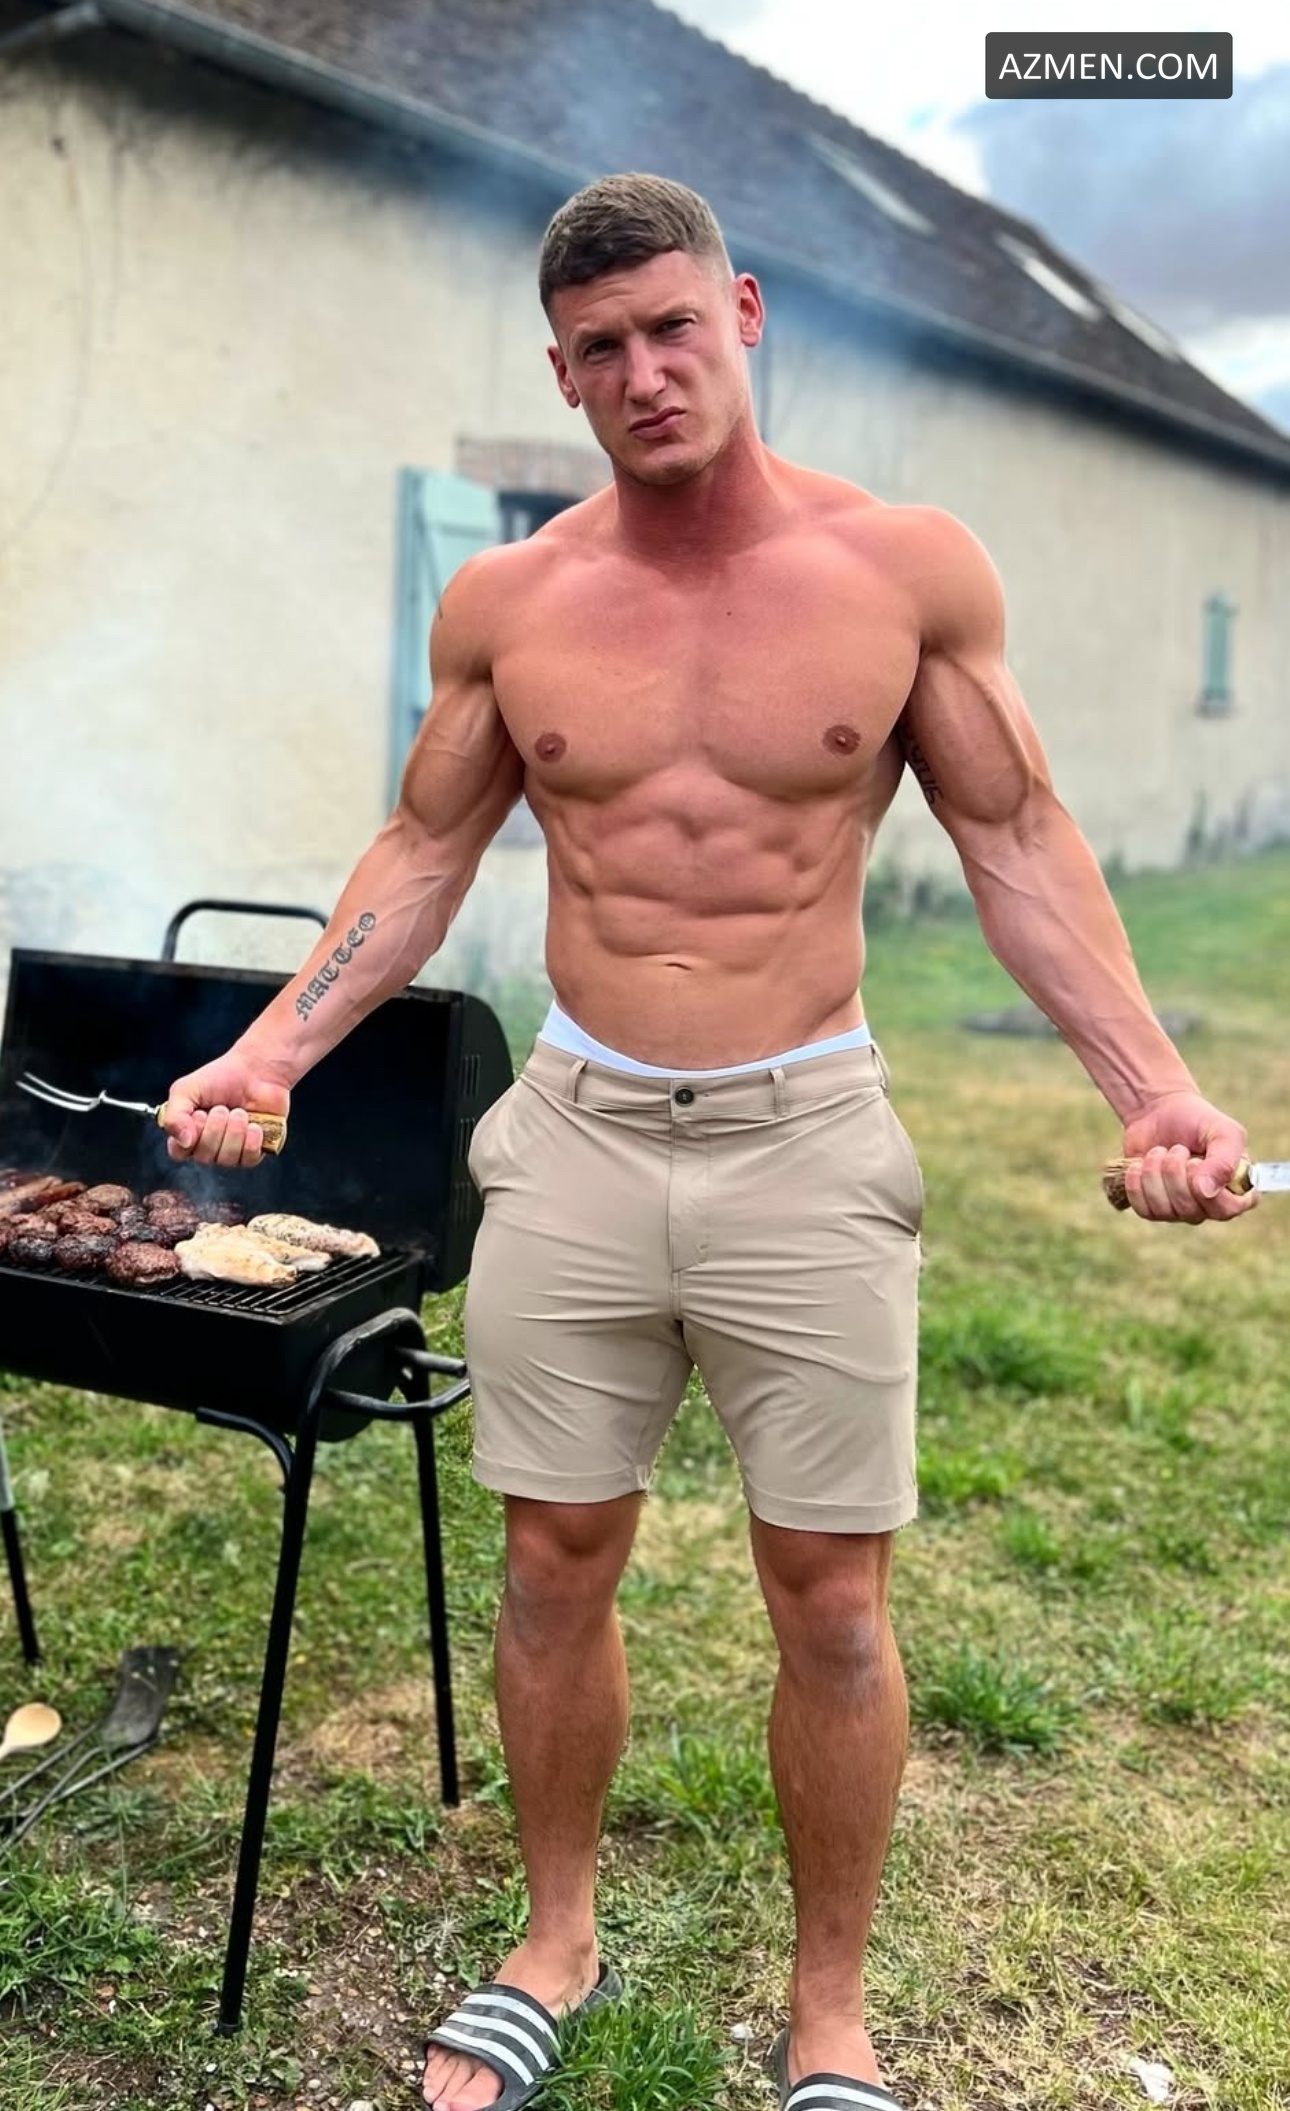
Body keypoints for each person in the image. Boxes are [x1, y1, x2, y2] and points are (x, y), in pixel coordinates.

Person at [163, 174, 1257, 2111]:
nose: (645, 373)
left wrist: (1149, 1086)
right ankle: (553, 1940)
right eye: (602, 349)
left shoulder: (903, 570)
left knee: (830, 1598)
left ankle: (829, 2017)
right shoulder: (510, 602)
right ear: (561, 375)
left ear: (743, 316)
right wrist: (273, 1048)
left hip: (803, 1139)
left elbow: (1015, 842)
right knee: (551, 1562)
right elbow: (423, 851)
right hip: (577, 1132)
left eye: (675, 327)